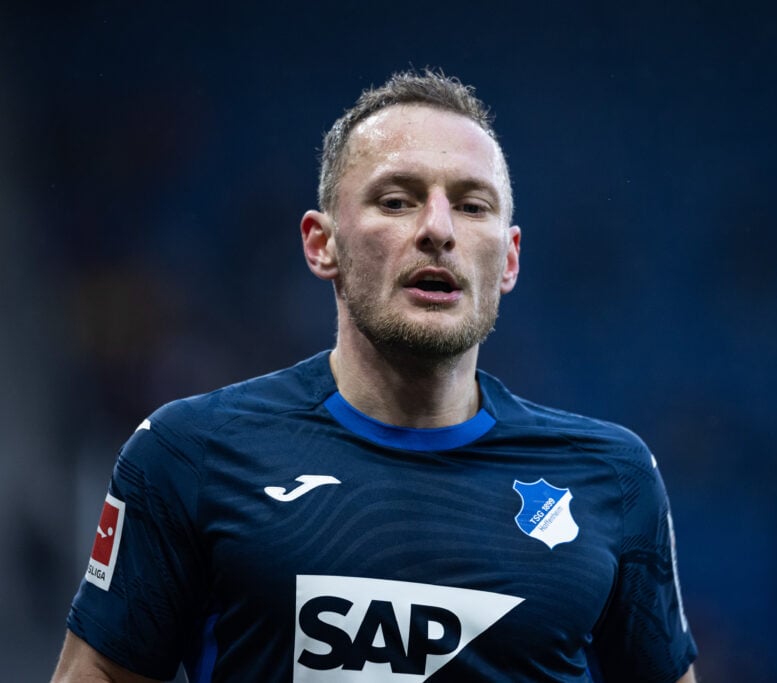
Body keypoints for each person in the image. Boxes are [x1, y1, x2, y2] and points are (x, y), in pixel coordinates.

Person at [51, 69, 698, 683]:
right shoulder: (187, 454)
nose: (438, 230)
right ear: (320, 243)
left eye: (472, 206)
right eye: (397, 199)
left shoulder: (613, 478)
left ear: (509, 258)